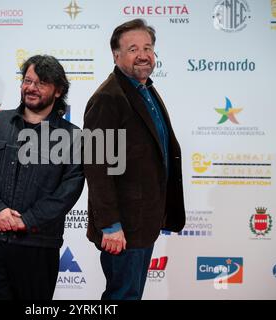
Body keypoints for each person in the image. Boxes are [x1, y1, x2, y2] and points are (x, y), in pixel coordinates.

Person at [0, 55, 85, 300]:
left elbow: (69, 190)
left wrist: (27, 220)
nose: (31, 88)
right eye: (27, 80)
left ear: (58, 90)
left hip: (38, 245)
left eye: (41, 83)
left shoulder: (73, 138)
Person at [83, 19, 186, 300]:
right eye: (133, 49)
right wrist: (111, 226)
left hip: (143, 221)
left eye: (148, 48)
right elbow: (97, 167)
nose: (143, 55)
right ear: (116, 56)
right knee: (123, 296)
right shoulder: (108, 98)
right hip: (123, 227)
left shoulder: (146, 89)